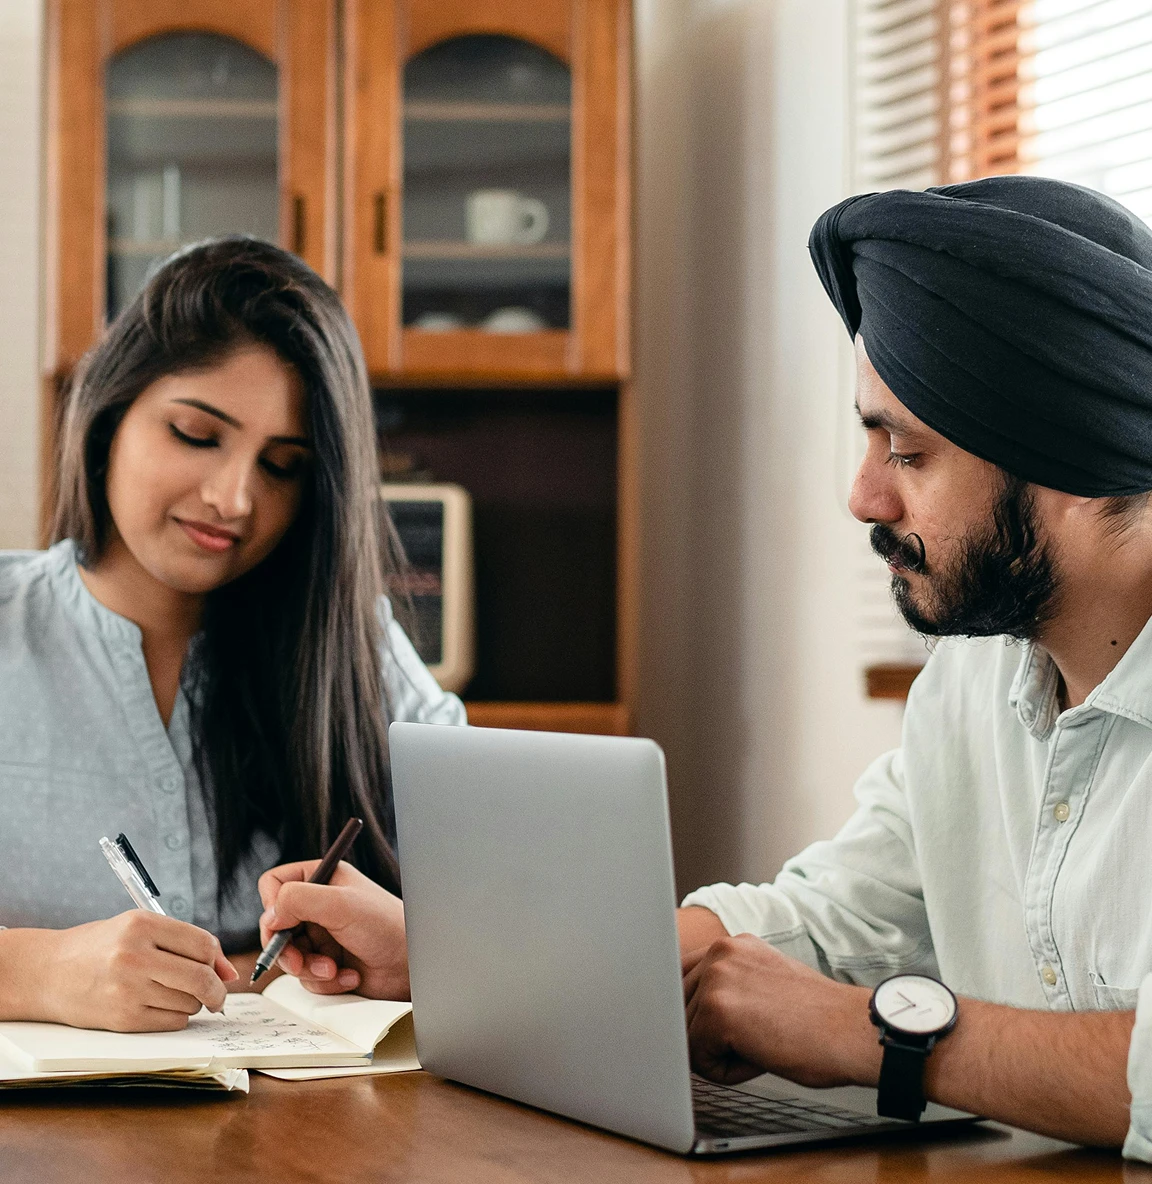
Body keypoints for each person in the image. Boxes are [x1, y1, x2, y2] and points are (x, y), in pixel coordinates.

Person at [255, 177, 1152, 1159]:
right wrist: (457, 963)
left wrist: (868, 1035)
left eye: (910, 450)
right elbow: (827, 921)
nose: (862, 495)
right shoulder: (966, 690)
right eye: (869, 437)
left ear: (1066, 456)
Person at [0, 237, 463, 1033]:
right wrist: (31, 972)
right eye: (196, 433)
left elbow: (509, 895)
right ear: (112, 415)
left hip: (313, 1141)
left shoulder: (354, 653)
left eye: (282, 467)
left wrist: (420, 943)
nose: (234, 498)